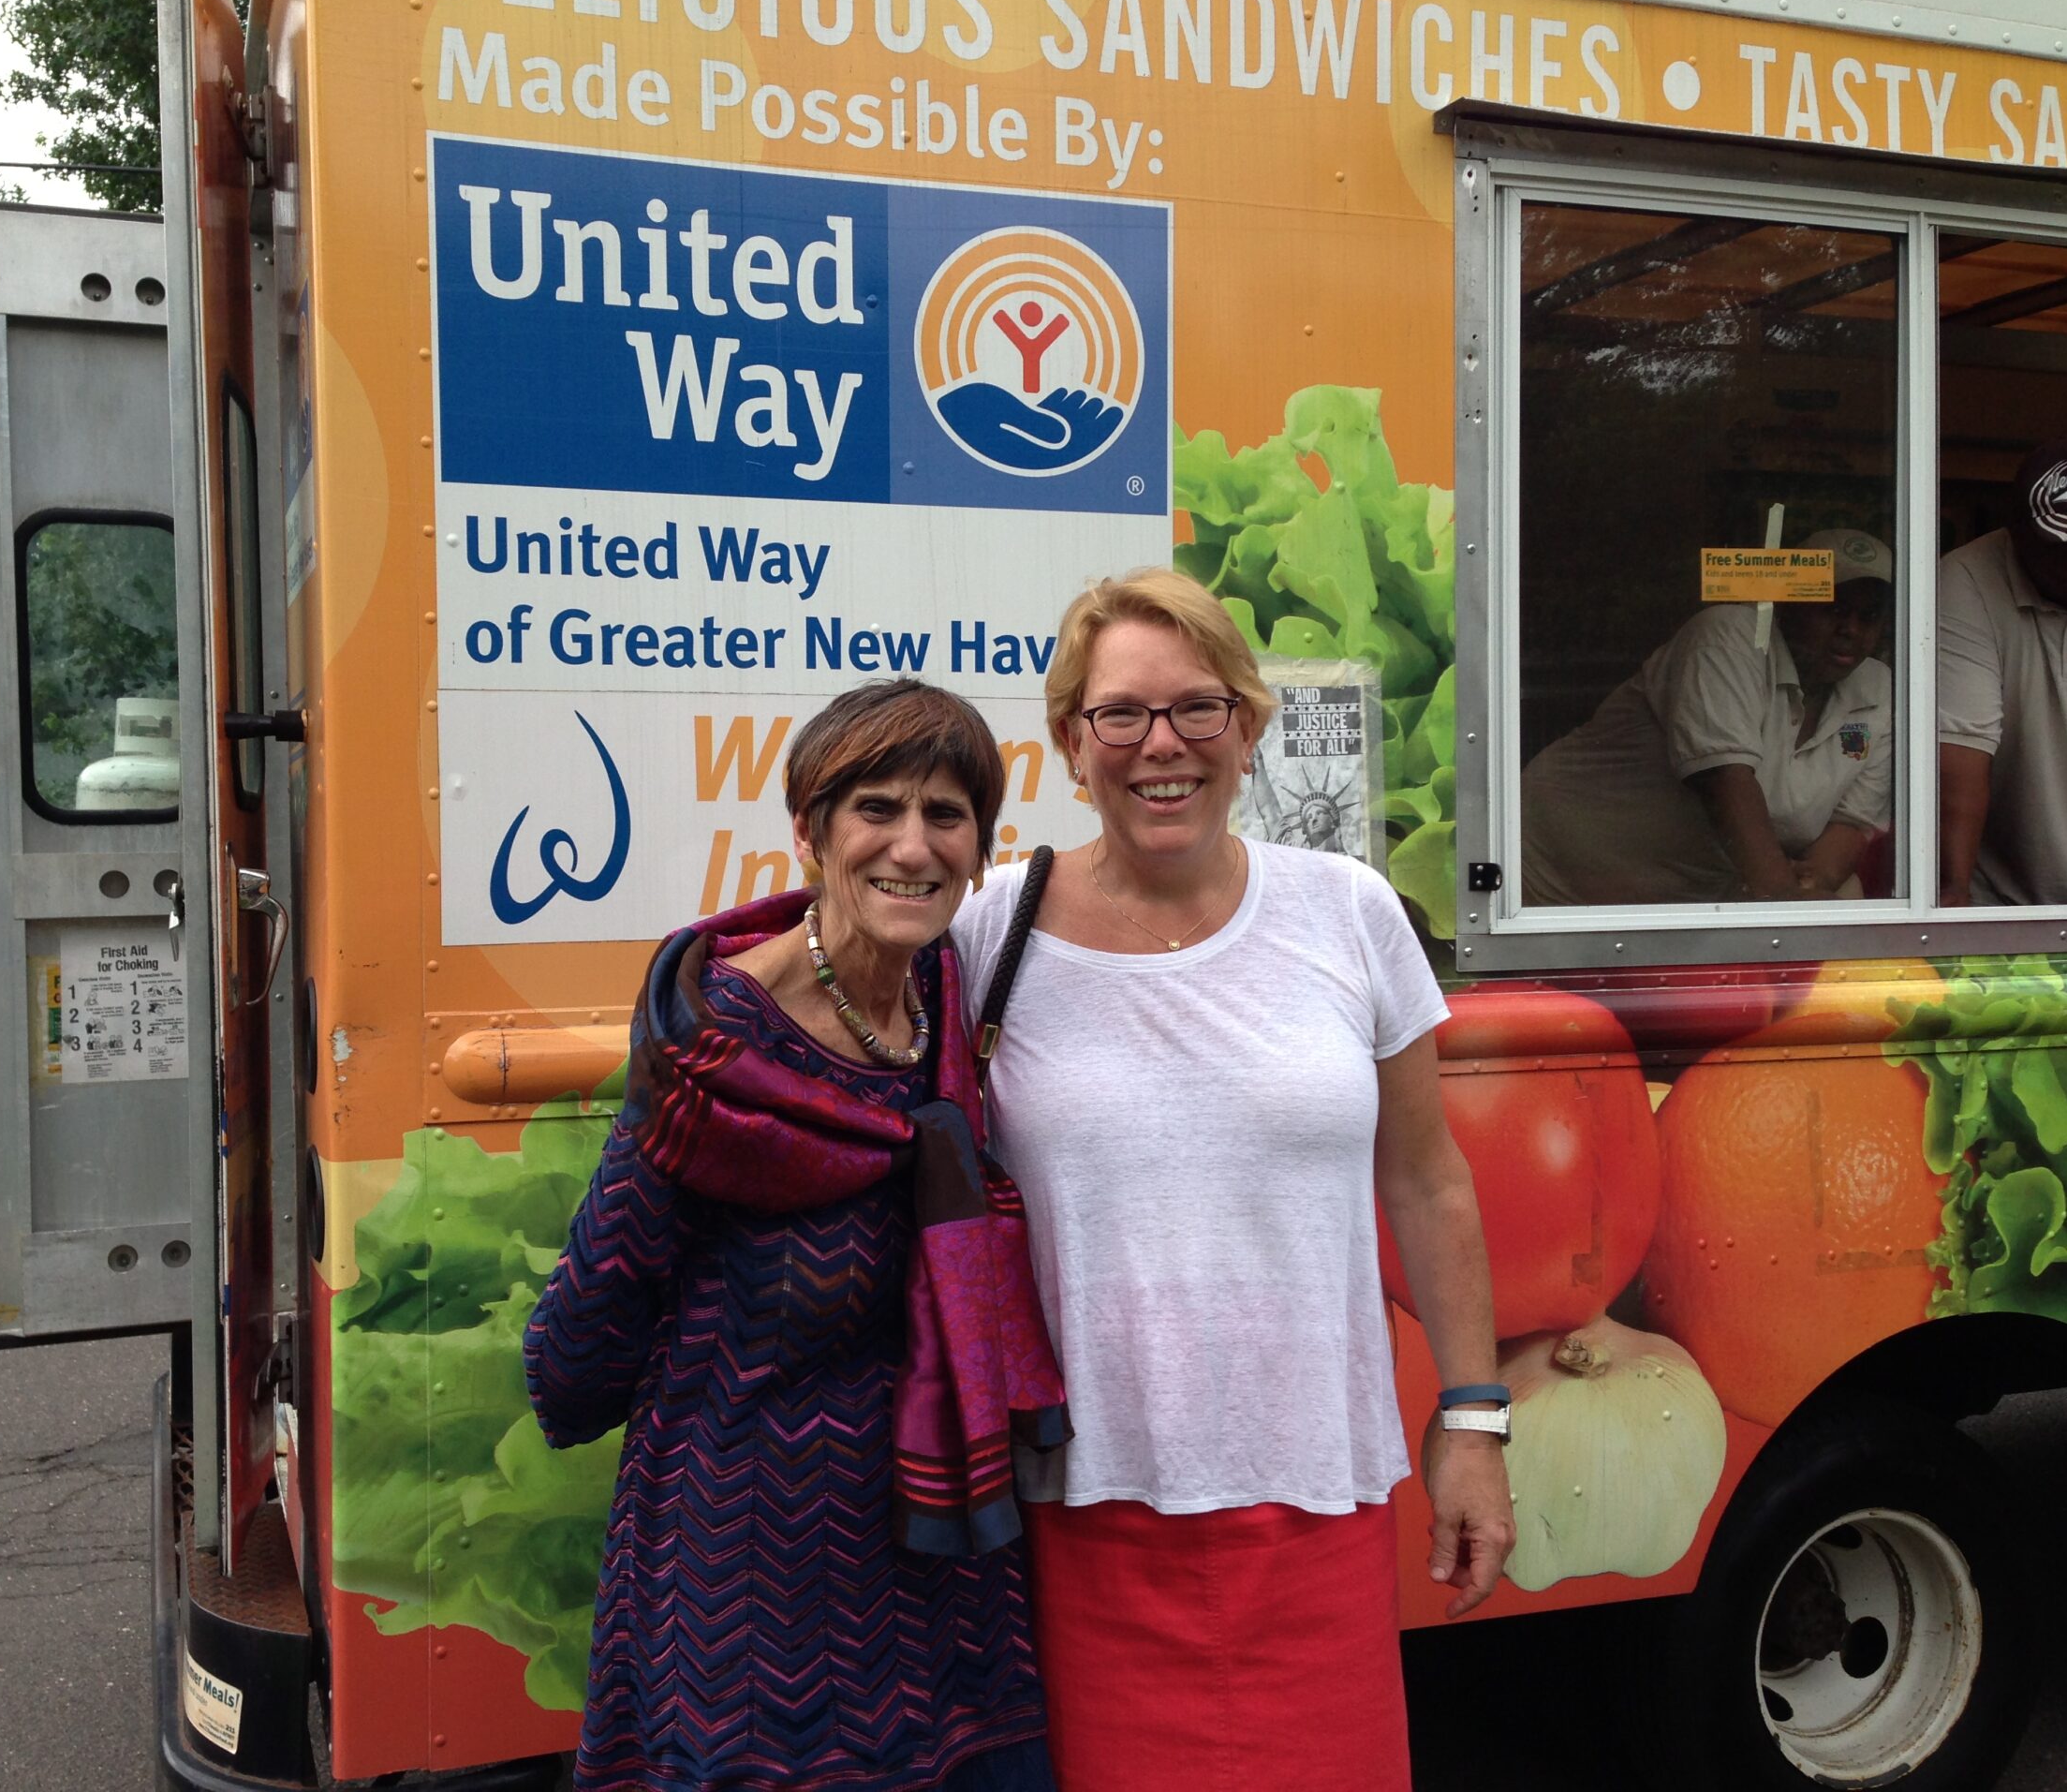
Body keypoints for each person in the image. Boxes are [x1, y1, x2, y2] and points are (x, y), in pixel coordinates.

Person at [947, 569, 1512, 1792]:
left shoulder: (1348, 913)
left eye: (1199, 708)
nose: (1164, 745)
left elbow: (1429, 1185)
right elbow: (821, 970)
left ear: (1248, 729)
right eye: (1122, 716)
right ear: (1069, 745)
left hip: (1315, 1500)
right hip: (1088, 1513)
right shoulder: (988, 929)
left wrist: (1474, 1422)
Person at [524, 678, 1068, 1792]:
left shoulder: (944, 994)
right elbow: (581, 1338)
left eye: (946, 815)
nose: (912, 847)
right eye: (875, 809)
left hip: (939, 1532)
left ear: (981, 846)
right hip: (749, 1559)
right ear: (810, 832)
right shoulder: (720, 1046)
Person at [1522, 528, 1896, 906]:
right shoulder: (1728, 637)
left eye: (1868, 616)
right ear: (1786, 605)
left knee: (1843, 898)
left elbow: (1851, 823)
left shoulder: (1878, 688)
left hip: (1688, 899)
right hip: (1549, 881)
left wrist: (1807, 888)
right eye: (1832, 608)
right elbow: (1725, 784)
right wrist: (1785, 896)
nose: (1850, 629)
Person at [1940, 435, 2067, 905]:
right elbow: (1958, 757)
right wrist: (1952, 901)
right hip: (2006, 903)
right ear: (2017, 534)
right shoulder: (1966, 580)